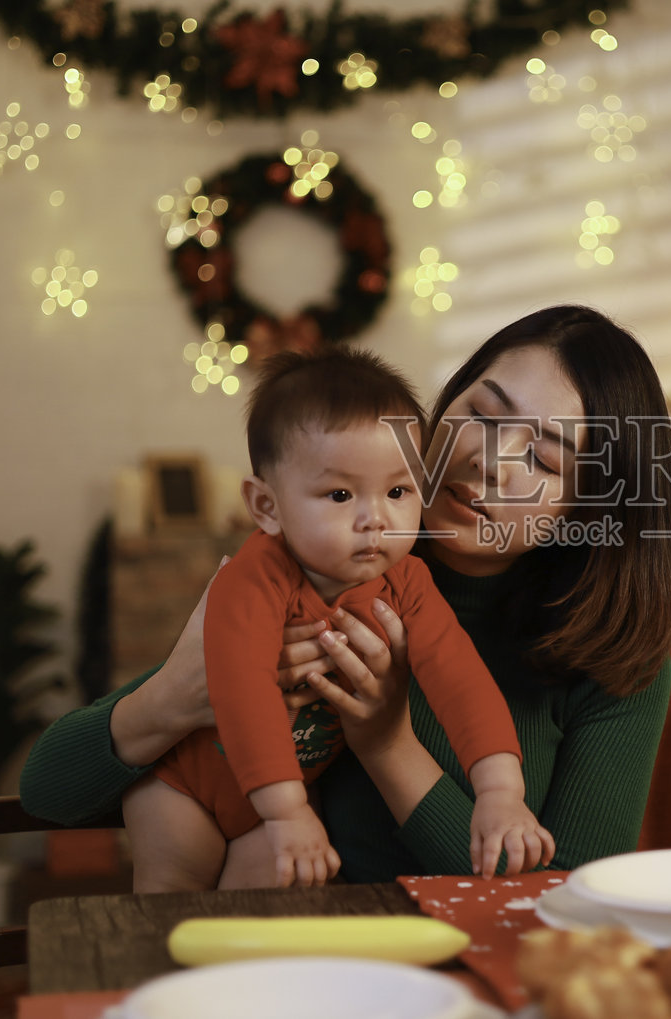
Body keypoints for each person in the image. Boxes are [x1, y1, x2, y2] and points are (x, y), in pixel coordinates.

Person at [22, 305, 671, 881]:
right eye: (481, 414)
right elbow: (49, 792)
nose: (486, 459)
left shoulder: (615, 651)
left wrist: (388, 742)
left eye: (543, 457)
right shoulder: (330, 562)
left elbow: (563, 901)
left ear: (588, 508)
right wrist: (176, 693)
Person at [127, 348, 549, 890]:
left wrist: (500, 793)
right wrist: (286, 811)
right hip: (184, 787)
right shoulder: (255, 578)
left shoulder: (408, 584)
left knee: (259, 921)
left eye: (399, 491)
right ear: (267, 507)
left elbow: (461, 681)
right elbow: (244, 690)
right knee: (168, 907)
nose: (376, 518)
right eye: (341, 494)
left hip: (278, 808)